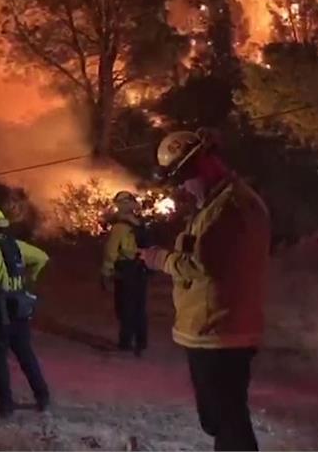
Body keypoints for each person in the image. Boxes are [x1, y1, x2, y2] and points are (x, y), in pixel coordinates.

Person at [139, 129, 270, 451]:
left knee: (229, 424)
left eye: (185, 175)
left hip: (220, 333)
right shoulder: (220, 203)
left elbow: (201, 264)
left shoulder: (230, 208)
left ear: (206, 162)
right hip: (214, 328)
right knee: (218, 419)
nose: (182, 186)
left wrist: (159, 259)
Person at [0, 206, 50, 418]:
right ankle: (42, 397)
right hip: (19, 309)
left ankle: (5, 405)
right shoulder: (16, 245)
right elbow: (42, 257)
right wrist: (29, 278)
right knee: (25, 354)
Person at [101, 190, 151, 356]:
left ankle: (125, 343)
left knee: (125, 307)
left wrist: (106, 271)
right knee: (139, 306)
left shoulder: (119, 227)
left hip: (126, 270)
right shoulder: (139, 224)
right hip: (141, 269)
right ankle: (141, 342)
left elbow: (111, 251)